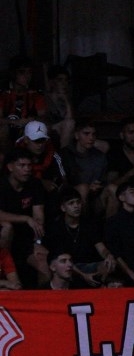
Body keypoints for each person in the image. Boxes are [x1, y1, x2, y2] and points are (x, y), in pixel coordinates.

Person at [45, 187, 116, 288]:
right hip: (69, 266)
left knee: (109, 265)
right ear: (63, 208)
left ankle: (98, 288)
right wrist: (83, 276)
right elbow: (59, 258)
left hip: (88, 264)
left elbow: (101, 247)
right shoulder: (56, 227)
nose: (76, 206)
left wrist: (108, 255)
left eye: (78, 202)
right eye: (71, 203)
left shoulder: (89, 224)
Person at [0, 149, 49, 287]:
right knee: (7, 227)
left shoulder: (35, 184)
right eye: (22, 165)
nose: (27, 169)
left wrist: (38, 239)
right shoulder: (1, 185)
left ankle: (40, 304)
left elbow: (39, 215)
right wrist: (26, 218)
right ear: (10, 167)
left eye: (29, 165)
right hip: (4, 241)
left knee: (44, 265)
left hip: (25, 240)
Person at [59, 118, 108, 211]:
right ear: (77, 135)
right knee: (83, 188)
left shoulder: (99, 156)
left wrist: (98, 185)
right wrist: (88, 187)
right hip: (72, 195)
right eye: (86, 134)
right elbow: (63, 183)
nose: (91, 138)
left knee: (112, 189)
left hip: (95, 195)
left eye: (93, 134)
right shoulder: (65, 154)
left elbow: (103, 180)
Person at [0, 55, 47, 150]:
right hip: (8, 131)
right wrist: (15, 122)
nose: (27, 76)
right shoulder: (3, 94)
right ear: (13, 73)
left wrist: (31, 120)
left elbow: (44, 117)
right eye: (22, 72)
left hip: (29, 133)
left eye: (29, 72)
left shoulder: (36, 94)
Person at [43, 64, 75, 148]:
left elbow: (70, 119)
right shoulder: (44, 98)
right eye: (60, 80)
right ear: (52, 82)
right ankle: (62, 157)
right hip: (49, 131)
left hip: (65, 132)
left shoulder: (66, 100)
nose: (64, 83)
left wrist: (66, 101)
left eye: (66, 80)